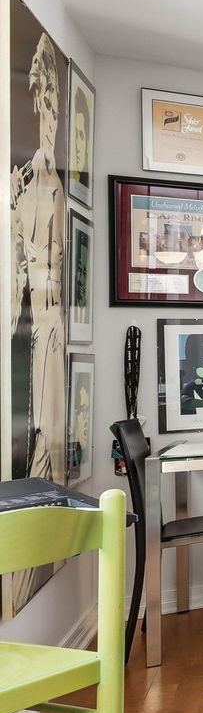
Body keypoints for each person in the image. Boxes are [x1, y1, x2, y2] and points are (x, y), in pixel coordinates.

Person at [10, 31, 66, 478]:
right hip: (26, 324)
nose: (42, 107)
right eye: (38, 94)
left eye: (47, 97)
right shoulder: (24, 178)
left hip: (43, 326)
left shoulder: (50, 183)